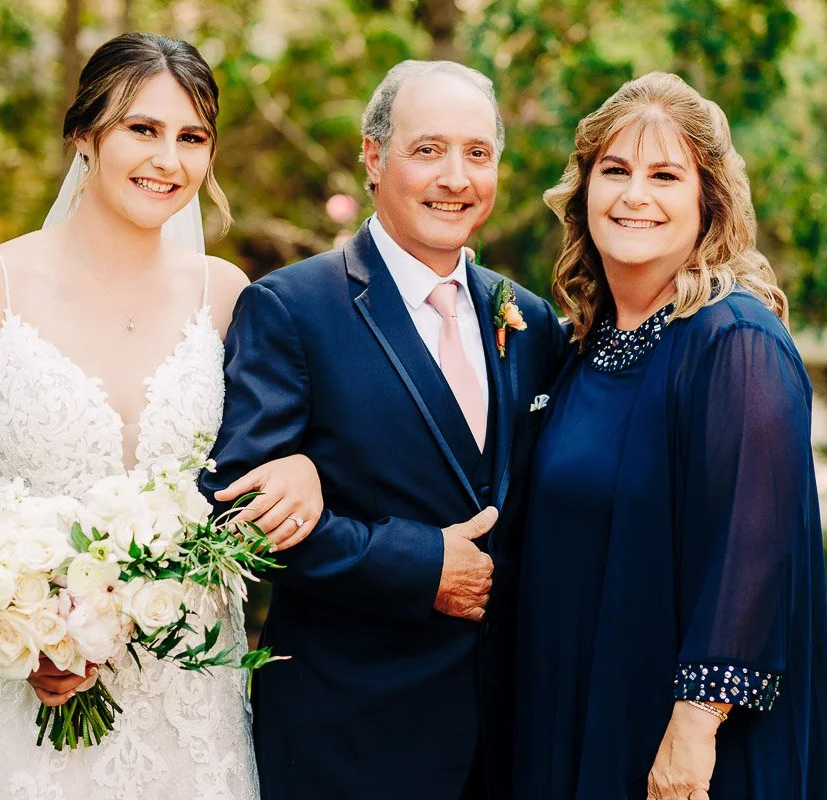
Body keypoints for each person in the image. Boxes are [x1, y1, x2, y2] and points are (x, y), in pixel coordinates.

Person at [0, 33, 322, 799]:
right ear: (84, 134)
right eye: (142, 129)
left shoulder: (226, 298)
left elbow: (267, 457)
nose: (168, 160)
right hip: (23, 703)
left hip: (192, 708)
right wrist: (17, 631)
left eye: (192, 138)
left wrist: (300, 466)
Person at [201, 60, 566, 799]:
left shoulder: (529, 322)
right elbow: (241, 514)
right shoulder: (292, 309)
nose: (455, 178)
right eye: (427, 150)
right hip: (349, 735)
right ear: (373, 158)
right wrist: (416, 564)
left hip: (508, 736)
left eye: (478, 154)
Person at [514, 72, 827, 800]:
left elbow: (754, 550)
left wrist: (693, 729)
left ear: (707, 203)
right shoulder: (582, 347)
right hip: (575, 711)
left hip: (686, 743)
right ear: (584, 189)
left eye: (665, 175)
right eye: (615, 171)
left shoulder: (735, 341)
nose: (634, 196)